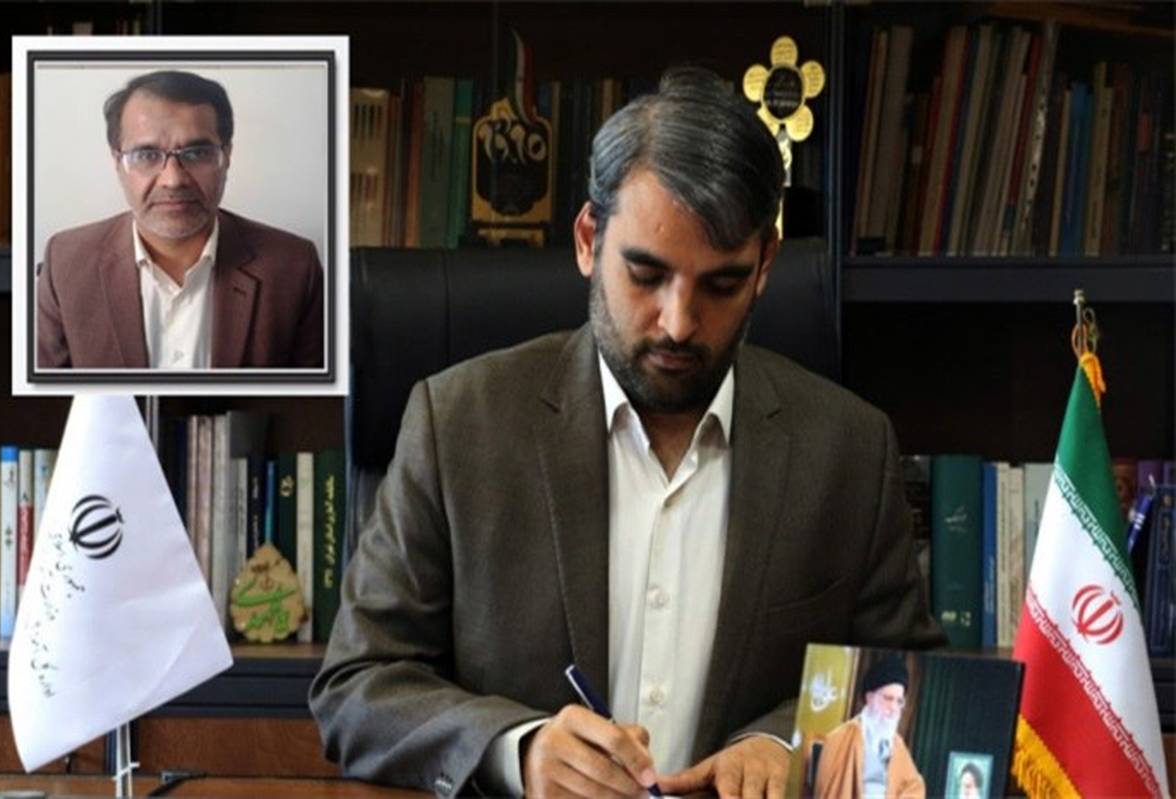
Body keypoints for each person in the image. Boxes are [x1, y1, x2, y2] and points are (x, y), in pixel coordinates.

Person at [310, 67, 941, 799]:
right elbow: (357, 687)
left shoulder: (849, 449)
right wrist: (518, 750)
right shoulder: (456, 424)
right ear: (588, 240)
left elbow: (910, 678)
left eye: (722, 284)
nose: (679, 322)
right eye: (646, 274)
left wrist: (788, 742)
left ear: (765, 265)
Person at [35, 70, 324, 370]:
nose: (173, 180)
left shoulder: (294, 268)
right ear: (117, 163)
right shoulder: (65, 265)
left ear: (227, 157)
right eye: (146, 155)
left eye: (197, 153)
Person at [813, 656, 925, 799]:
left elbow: (914, 786)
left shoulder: (897, 744)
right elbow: (830, 791)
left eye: (899, 701)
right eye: (888, 698)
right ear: (870, 698)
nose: (894, 708)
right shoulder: (841, 738)